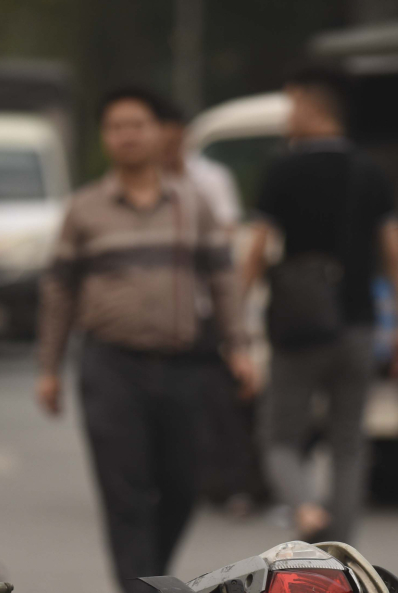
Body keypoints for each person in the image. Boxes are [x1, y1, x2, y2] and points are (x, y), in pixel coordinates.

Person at [36, 87, 255, 593]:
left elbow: (223, 279)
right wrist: (49, 368)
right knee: (124, 491)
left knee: (182, 484)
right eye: (116, 127)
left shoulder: (192, 204)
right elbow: (59, 289)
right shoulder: (85, 209)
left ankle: (149, 583)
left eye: (138, 124)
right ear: (105, 138)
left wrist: (239, 346)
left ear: (160, 133)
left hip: (184, 364)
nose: (128, 135)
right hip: (111, 365)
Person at [239, 65, 398, 544]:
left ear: (311, 110)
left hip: (299, 327)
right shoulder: (371, 171)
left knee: (279, 439)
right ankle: (344, 546)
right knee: (348, 443)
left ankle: (306, 509)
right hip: (359, 324)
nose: (286, 117)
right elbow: (396, 251)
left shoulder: (283, 170)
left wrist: (235, 318)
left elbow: (254, 252)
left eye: (291, 106)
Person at [154, 97, 259, 513]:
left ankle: (234, 484)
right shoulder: (143, 184)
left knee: (220, 398)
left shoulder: (210, 179)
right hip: (160, 311)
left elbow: (226, 237)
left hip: (204, 306)